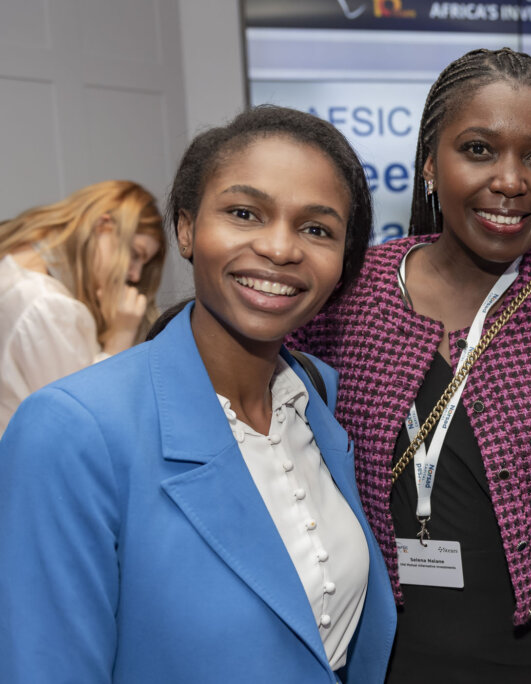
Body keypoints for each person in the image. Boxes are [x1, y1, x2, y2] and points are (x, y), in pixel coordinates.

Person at [0, 106, 396, 683]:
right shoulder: (72, 429)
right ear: (186, 230)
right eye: (244, 213)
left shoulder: (318, 398)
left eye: (316, 229)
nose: (280, 248)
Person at [290, 48, 531, 683]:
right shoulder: (349, 291)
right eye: (479, 149)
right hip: (387, 653)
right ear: (431, 162)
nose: (510, 181)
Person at [0, 180, 165, 432]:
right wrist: (120, 338)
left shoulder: (14, 258)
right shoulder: (49, 306)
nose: (135, 275)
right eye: (135, 254)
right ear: (103, 226)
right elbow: (79, 423)